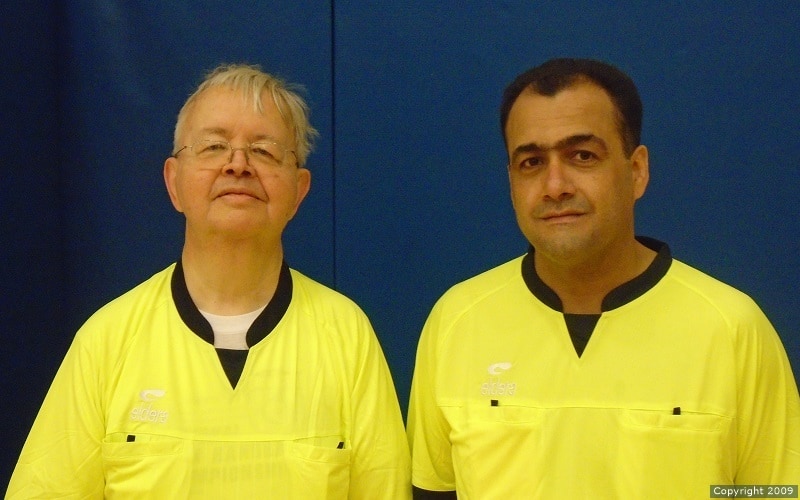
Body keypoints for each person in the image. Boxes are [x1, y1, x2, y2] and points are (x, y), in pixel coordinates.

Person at [7, 63, 410, 498]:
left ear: (299, 190)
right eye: (215, 146)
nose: (238, 165)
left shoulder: (347, 337)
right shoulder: (107, 341)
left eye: (265, 150)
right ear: (173, 182)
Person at [407, 58, 800, 498]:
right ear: (511, 181)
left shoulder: (733, 330)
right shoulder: (458, 321)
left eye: (582, 156)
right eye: (532, 162)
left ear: (637, 171)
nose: (555, 185)